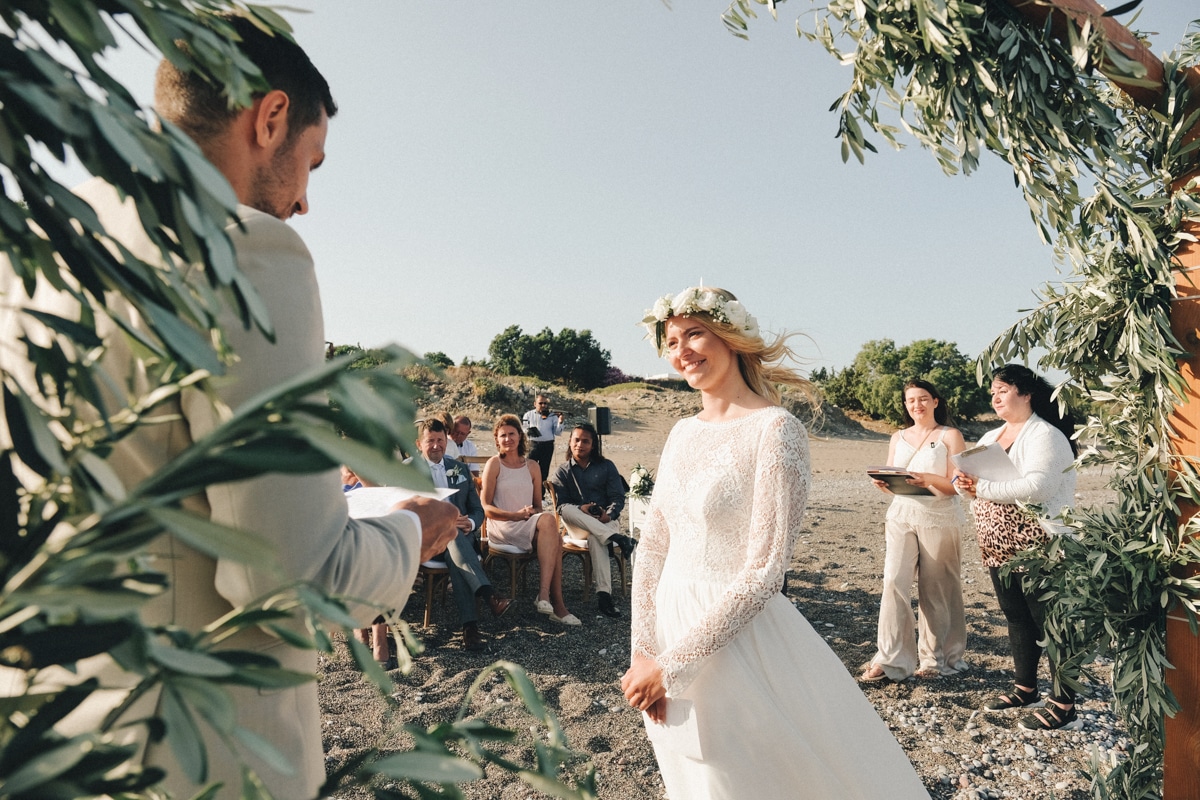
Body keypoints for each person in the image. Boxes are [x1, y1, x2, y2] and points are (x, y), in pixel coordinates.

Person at [0, 18, 459, 799]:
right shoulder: (245, 249)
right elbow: (292, 578)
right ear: (270, 117)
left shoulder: (42, 245)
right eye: (310, 165)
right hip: (196, 752)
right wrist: (413, 530)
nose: (305, 202)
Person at [621, 287, 929, 799]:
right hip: (667, 629)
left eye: (695, 333)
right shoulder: (679, 433)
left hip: (734, 638)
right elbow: (652, 544)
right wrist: (643, 653)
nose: (682, 350)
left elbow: (765, 570)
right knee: (692, 778)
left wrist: (673, 666)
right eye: (671, 340)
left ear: (732, 338)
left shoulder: (775, 429)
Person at [954, 364, 1080, 731]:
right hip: (998, 542)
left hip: (1040, 543)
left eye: (1002, 390)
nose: (994, 397)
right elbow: (971, 477)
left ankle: (1064, 703)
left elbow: (1036, 488)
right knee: (1016, 618)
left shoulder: (1046, 435)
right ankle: (1025, 687)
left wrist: (982, 490)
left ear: (1025, 393)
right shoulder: (993, 434)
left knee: (1051, 621)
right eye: (992, 391)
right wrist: (963, 483)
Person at [861, 379, 969, 683]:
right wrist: (882, 484)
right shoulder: (898, 437)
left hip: (940, 517)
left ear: (935, 401)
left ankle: (937, 659)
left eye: (923, 399)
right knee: (894, 581)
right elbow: (893, 478)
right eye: (910, 401)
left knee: (937, 589)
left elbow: (959, 485)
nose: (916, 405)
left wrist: (929, 479)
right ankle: (891, 657)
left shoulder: (951, 435)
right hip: (901, 515)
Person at [415, 418, 511, 650]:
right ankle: (487, 598)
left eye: (440, 440)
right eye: (431, 441)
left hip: (460, 537)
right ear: (419, 444)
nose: (436, 445)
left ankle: (470, 629)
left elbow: (478, 510)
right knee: (451, 535)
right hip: (426, 541)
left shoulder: (459, 469)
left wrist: (470, 521)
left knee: (455, 542)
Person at [480, 414, 580, 625]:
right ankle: (553, 603)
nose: (508, 439)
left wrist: (528, 513)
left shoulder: (533, 466)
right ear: (497, 440)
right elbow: (486, 508)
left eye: (512, 434)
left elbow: (537, 505)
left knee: (554, 535)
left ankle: (551, 600)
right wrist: (516, 515)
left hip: (526, 523)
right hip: (502, 526)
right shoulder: (494, 464)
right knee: (551, 530)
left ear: (520, 436)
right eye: (503, 435)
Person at [552, 423, 637, 618]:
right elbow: (560, 505)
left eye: (585, 441)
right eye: (576, 440)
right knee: (567, 510)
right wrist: (581, 509)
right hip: (577, 524)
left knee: (596, 538)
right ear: (569, 441)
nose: (580, 444)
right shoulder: (562, 471)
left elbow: (618, 497)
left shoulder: (606, 466)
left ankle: (604, 596)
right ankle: (620, 539)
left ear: (593, 445)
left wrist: (608, 514)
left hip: (605, 522)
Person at [522, 394, 564, 479]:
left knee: (544, 471)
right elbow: (524, 429)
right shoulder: (528, 415)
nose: (543, 406)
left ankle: (541, 491)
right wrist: (531, 431)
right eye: (540, 403)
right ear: (535, 404)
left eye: (545, 403)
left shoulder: (552, 416)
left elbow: (557, 432)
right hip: (532, 445)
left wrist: (560, 422)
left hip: (547, 446)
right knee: (529, 468)